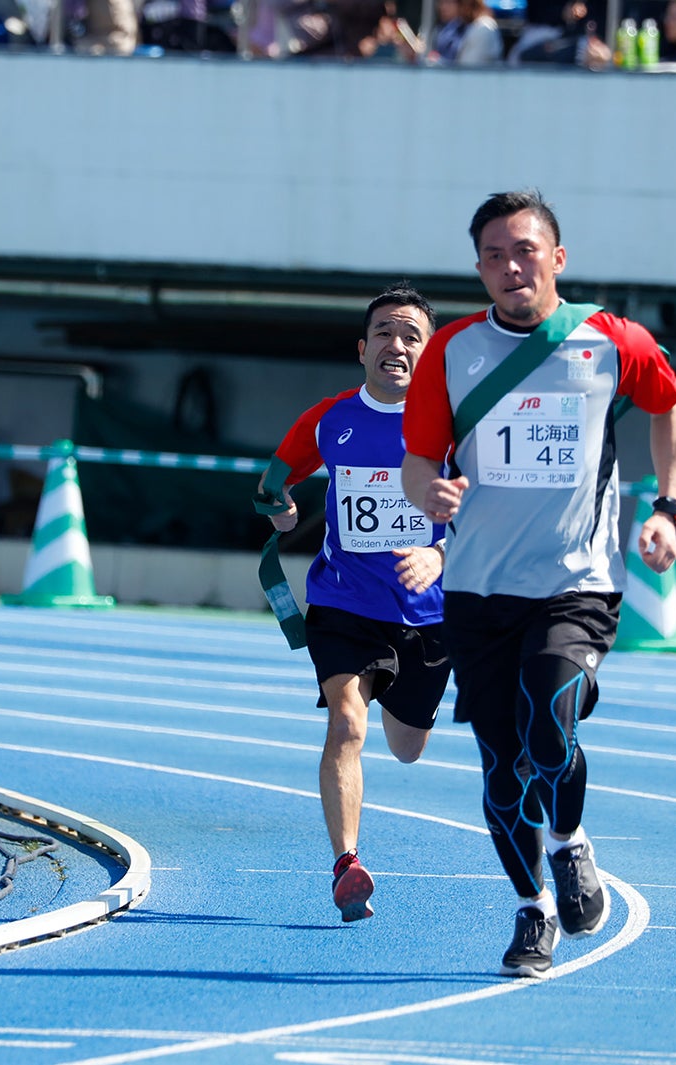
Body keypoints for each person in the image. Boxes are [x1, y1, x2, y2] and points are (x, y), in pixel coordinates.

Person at [401, 190, 676, 978]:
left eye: (524, 250)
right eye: (493, 255)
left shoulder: (610, 340)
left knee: (550, 733)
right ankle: (534, 910)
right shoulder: (450, 353)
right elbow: (419, 459)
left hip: (577, 581)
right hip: (478, 589)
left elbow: (669, 406)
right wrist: (428, 490)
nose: (509, 266)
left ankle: (570, 841)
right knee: (501, 765)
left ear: (557, 258)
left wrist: (667, 507)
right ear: (479, 268)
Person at [257, 283, 451, 924]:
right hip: (343, 603)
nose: (397, 346)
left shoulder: (454, 428)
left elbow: (491, 508)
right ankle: (347, 865)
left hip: (425, 613)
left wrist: (441, 556)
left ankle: (407, 709)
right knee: (347, 724)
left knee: (407, 746)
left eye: (411, 337)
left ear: (429, 354)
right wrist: (279, 507)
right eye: (385, 334)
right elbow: (271, 480)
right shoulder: (331, 418)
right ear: (363, 348)